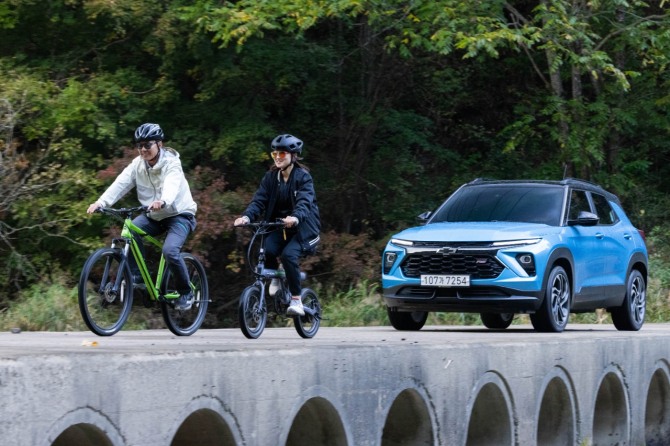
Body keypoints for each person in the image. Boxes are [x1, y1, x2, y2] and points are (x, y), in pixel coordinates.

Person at [87, 123, 198, 310]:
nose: (143, 149)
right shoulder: (137, 165)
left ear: (159, 144)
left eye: (147, 145)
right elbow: (120, 183)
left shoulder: (172, 163)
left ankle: (186, 292)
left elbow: (172, 185)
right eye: (139, 145)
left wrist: (163, 200)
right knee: (130, 231)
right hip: (154, 215)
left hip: (179, 214)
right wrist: (101, 203)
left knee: (170, 251)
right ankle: (136, 276)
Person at [234, 134, 321, 316]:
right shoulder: (271, 177)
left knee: (289, 255)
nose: (278, 157)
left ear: (293, 156)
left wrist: (295, 217)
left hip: (304, 229)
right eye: (275, 154)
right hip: (280, 228)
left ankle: (296, 300)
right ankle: (276, 275)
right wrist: (247, 217)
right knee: (266, 250)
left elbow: (304, 202)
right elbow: (259, 200)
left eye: (282, 154)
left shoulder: (303, 177)